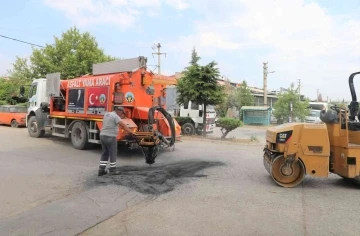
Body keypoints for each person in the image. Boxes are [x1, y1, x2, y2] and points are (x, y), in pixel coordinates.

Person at [98, 106, 134, 176]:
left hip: (102, 135)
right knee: (113, 153)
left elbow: (110, 124)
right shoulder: (115, 116)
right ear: (119, 111)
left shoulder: (107, 114)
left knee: (105, 153)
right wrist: (131, 131)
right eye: (122, 113)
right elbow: (123, 125)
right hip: (110, 137)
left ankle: (101, 170)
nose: (122, 115)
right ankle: (113, 169)